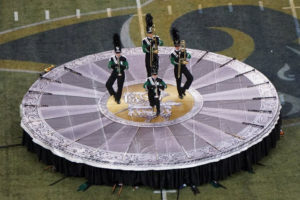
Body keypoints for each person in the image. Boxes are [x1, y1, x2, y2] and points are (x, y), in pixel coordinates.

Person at [170, 27, 193, 99]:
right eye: (176, 46)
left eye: (178, 46)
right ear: (175, 46)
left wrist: (186, 56)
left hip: (183, 67)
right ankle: (180, 93)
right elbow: (172, 62)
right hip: (177, 68)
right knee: (178, 81)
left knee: (190, 78)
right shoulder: (173, 53)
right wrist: (179, 62)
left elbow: (189, 56)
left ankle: (183, 89)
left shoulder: (183, 50)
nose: (177, 47)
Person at [106, 34, 128, 104]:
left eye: (119, 53)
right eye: (117, 53)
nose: (118, 54)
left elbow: (127, 67)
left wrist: (121, 65)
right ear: (115, 52)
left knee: (120, 87)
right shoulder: (112, 58)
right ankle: (114, 94)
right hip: (115, 72)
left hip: (121, 73)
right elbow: (109, 66)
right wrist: (113, 64)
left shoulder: (123, 58)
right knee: (108, 84)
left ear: (120, 52)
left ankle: (117, 99)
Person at [142, 13, 163, 77]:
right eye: (149, 33)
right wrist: (151, 46)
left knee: (155, 72)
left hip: (155, 56)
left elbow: (162, 43)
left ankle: (156, 84)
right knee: (149, 72)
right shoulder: (145, 40)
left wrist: (157, 41)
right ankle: (149, 84)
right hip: (148, 57)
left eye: (151, 33)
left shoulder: (156, 37)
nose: (150, 34)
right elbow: (144, 50)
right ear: (147, 33)